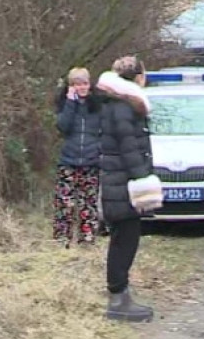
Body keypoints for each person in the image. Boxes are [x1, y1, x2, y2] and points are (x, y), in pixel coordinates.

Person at [97, 56, 159, 323]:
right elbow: (129, 148)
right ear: (137, 78)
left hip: (117, 182)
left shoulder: (116, 104)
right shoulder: (124, 108)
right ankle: (118, 299)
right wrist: (144, 179)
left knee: (123, 238)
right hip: (122, 184)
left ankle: (121, 295)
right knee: (125, 240)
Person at [53, 67, 102, 247]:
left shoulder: (98, 105)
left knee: (88, 203)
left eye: (84, 83)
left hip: (91, 161)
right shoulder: (64, 105)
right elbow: (63, 127)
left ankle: (87, 238)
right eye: (76, 84)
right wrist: (70, 102)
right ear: (70, 86)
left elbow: (104, 130)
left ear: (90, 84)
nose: (81, 87)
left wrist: (99, 149)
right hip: (68, 160)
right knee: (65, 203)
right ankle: (62, 238)